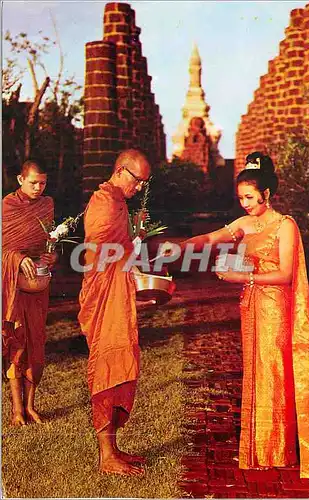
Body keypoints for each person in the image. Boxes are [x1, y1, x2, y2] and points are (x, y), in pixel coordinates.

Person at [161, 151, 309, 479]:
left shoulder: (284, 225)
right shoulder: (245, 225)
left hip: (275, 307)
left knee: (274, 371)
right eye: (240, 198)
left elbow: (286, 275)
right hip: (252, 306)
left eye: (250, 197)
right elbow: (210, 238)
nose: (245, 203)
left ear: (268, 194)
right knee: (256, 370)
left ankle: (278, 449)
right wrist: (180, 247)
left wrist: (242, 277)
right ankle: (260, 448)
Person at [78, 149, 151, 477]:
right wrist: (132, 246)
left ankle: (113, 446)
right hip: (104, 297)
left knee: (121, 362)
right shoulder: (105, 201)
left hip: (116, 293)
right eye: (138, 181)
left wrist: (135, 236)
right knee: (108, 367)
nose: (139, 188)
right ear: (122, 171)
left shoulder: (119, 201)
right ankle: (106, 456)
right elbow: (102, 252)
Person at [2, 159, 56, 426]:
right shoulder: (6, 207)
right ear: (20, 180)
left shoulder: (47, 205)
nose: (38, 187)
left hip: (38, 284)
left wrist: (51, 257)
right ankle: (16, 410)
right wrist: (15, 258)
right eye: (33, 182)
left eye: (43, 183)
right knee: (17, 344)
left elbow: (50, 243)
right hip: (12, 286)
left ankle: (31, 406)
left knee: (37, 343)